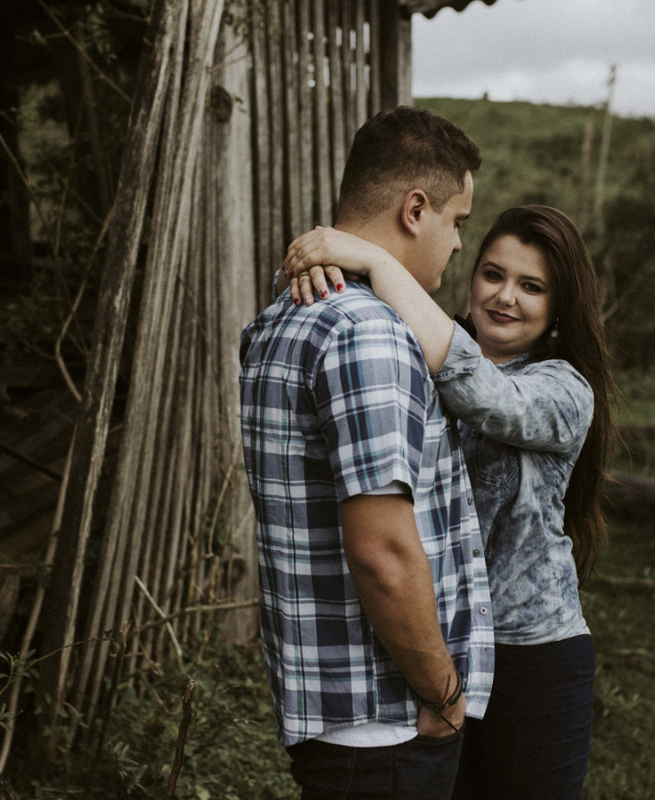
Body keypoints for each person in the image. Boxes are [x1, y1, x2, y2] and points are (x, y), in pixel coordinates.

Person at [284, 204, 621, 799]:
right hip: (440, 651)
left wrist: (377, 260)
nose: (505, 296)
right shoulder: (414, 349)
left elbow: (487, 395)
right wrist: (325, 268)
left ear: (559, 308)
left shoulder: (566, 389)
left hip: (533, 656)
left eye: (532, 286)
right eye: (493, 274)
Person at [238, 106, 495, 799]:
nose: (457, 246)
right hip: (386, 725)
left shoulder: (280, 317)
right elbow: (381, 552)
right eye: (457, 222)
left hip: (333, 714)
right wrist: (444, 694)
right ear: (416, 209)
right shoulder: (368, 333)